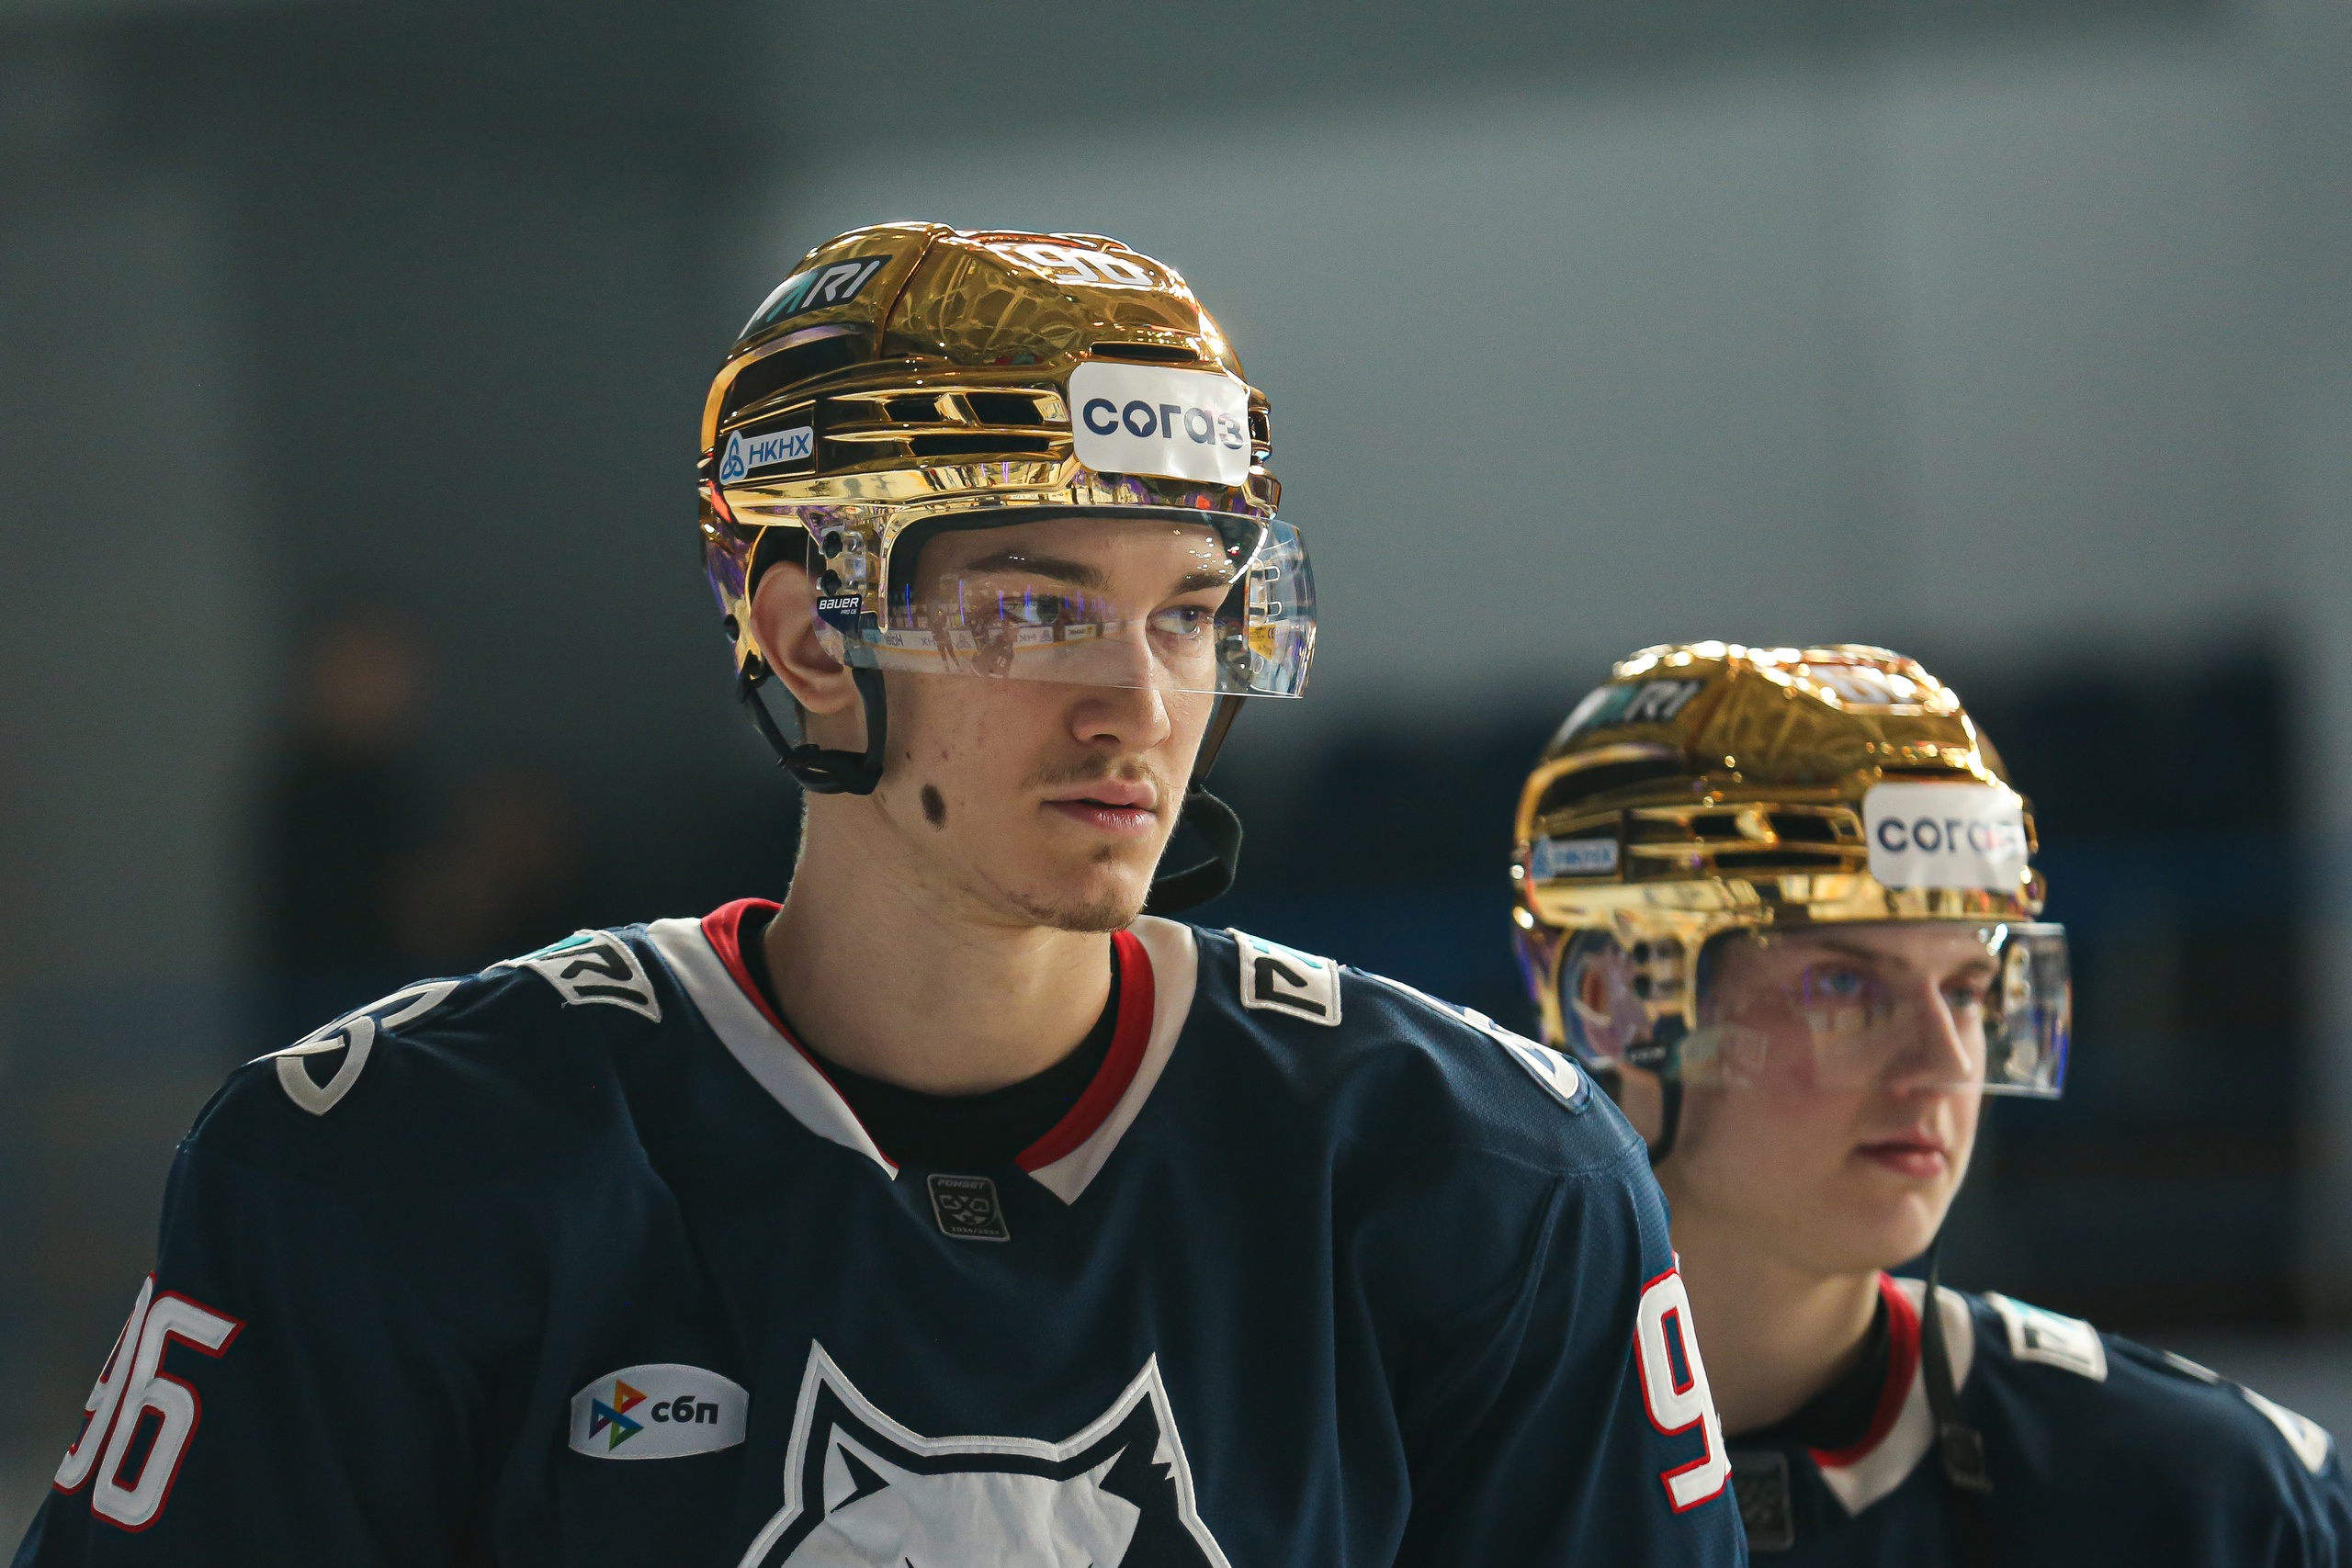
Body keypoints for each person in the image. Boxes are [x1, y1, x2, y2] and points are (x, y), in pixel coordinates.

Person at [18, 225, 1743, 1566]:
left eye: (1189, 611)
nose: (1138, 704)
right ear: (807, 638)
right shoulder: (397, 1168)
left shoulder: (1486, 1175)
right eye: (1040, 609)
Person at [1509, 640, 2351, 1563]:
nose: (1945, 1062)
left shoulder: (2217, 1505)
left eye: (1965, 989)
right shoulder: (1425, 1461)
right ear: (1614, 1000)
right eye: (1842, 985)